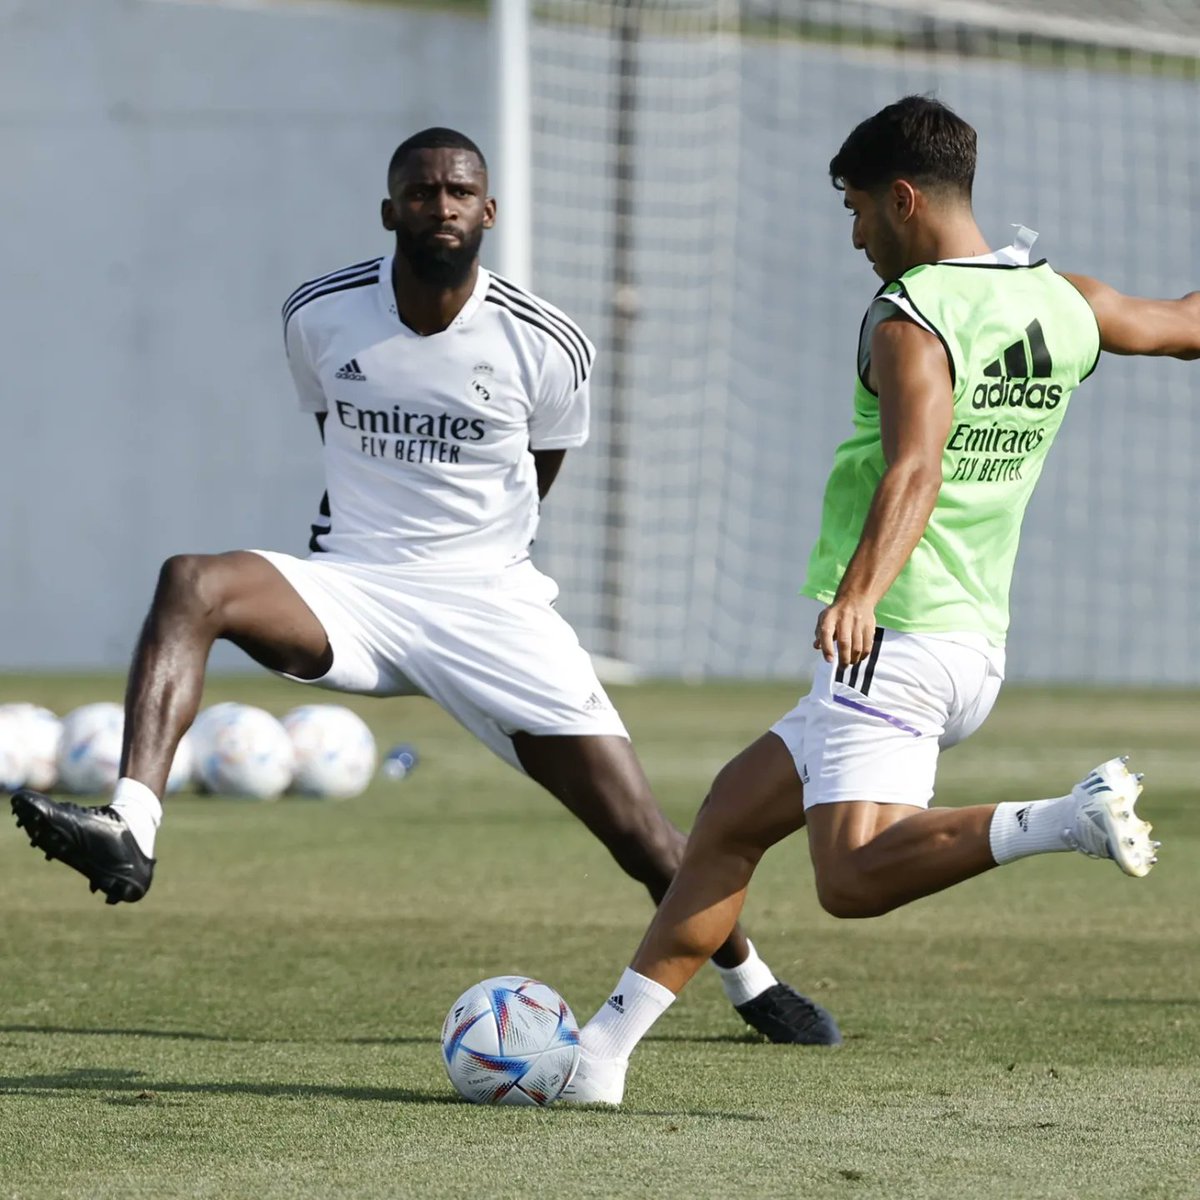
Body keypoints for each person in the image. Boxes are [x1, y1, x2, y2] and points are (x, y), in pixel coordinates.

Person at [9, 127, 839, 1047]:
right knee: (191, 582)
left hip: (491, 605)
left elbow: (544, 466)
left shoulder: (548, 343)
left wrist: (480, 554)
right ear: (388, 209)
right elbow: (330, 423)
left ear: (488, 211)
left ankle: (752, 983)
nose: (439, 206)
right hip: (355, 588)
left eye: (457, 192)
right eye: (419, 191)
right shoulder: (319, 316)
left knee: (642, 835)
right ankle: (133, 827)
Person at [561, 94, 1194, 1105]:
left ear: (903, 198)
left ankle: (1064, 819)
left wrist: (860, 594)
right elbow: (1184, 324)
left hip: (895, 637)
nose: (855, 236)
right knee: (727, 819)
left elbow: (916, 469)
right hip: (969, 642)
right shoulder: (1067, 301)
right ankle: (598, 1060)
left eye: (856, 209)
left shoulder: (913, 314)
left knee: (850, 880)